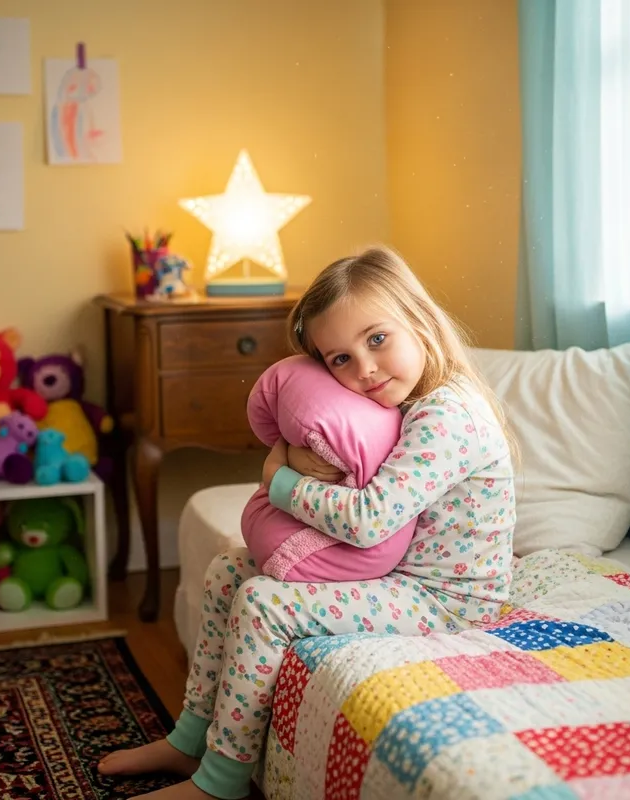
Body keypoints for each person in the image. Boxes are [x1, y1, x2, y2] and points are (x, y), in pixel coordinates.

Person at [98, 245, 517, 800]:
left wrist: (280, 482)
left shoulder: (449, 416)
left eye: (377, 339)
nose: (365, 369)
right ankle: (188, 739)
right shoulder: (401, 403)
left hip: (446, 599)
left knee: (263, 602)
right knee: (228, 571)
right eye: (340, 358)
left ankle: (220, 782)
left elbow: (370, 519)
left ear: (418, 318)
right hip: (398, 576)